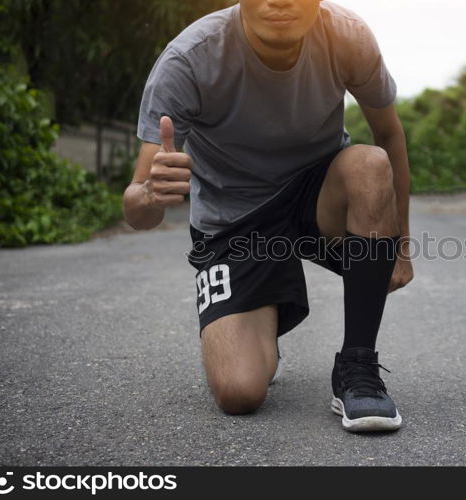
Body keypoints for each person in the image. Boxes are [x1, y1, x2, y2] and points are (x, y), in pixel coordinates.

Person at [123, 0, 413, 432]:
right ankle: (264, 322)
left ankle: (357, 366)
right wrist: (151, 193)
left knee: (369, 164)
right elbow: (135, 212)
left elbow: (388, 134)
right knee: (239, 392)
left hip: (316, 196)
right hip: (234, 221)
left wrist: (400, 245)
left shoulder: (347, 35)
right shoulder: (190, 58)